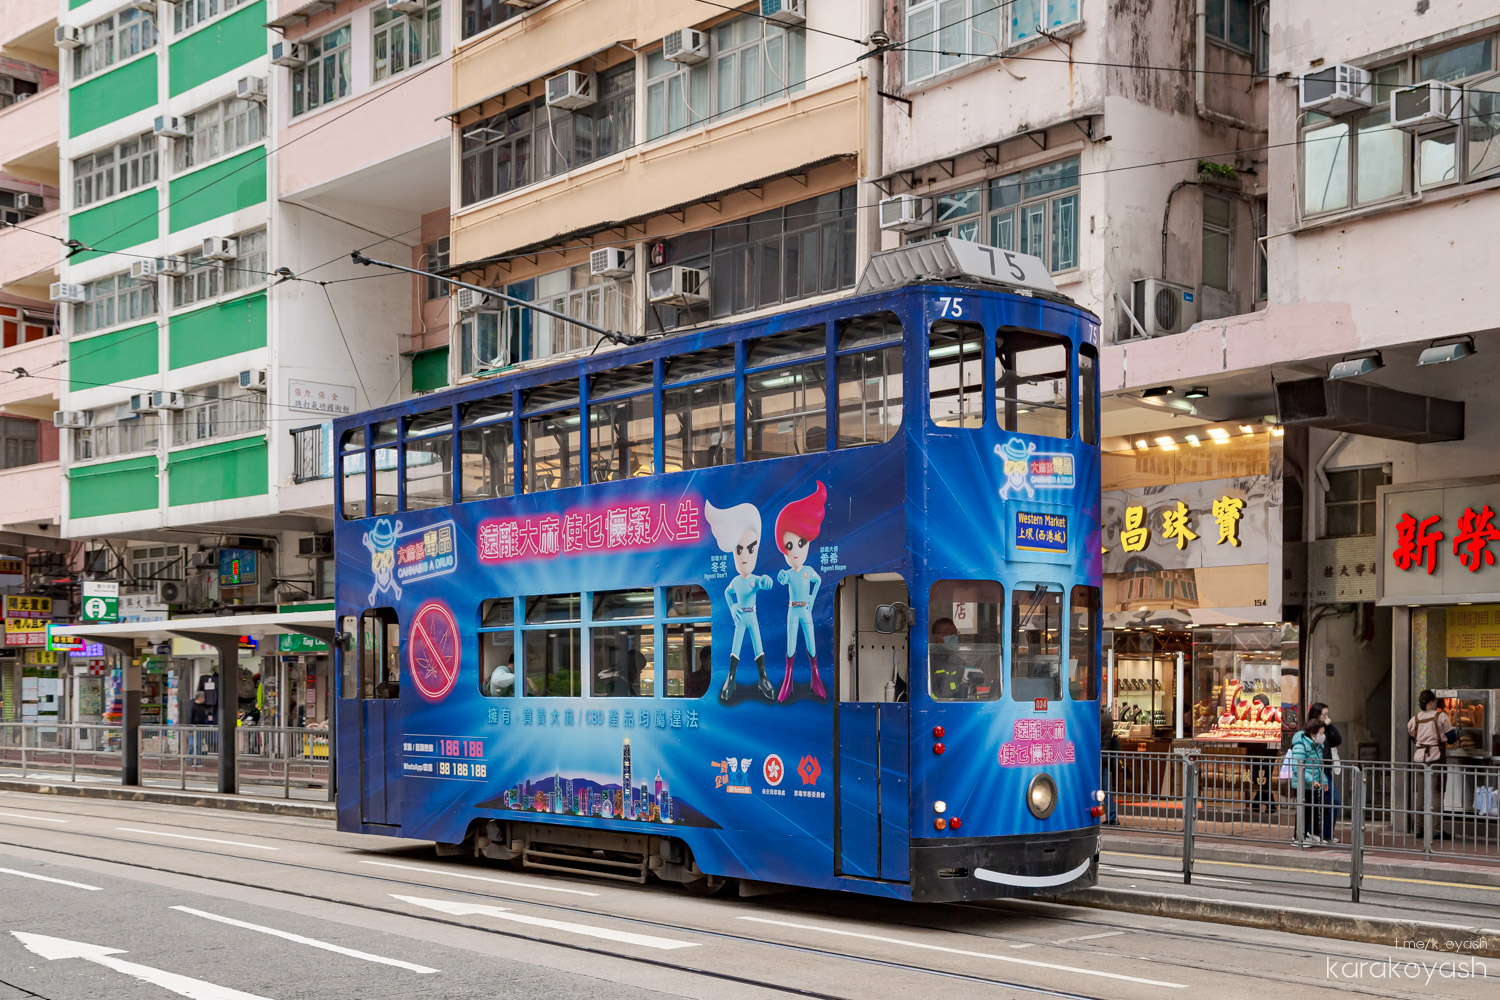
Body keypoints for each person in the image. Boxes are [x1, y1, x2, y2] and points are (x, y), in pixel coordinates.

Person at [1408, 689, 1456, 840]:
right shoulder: (1440, 716)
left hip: (1419, 760)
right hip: (1436, 758)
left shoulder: (1414, 719)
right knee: (1436, 793)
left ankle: (1419, 828)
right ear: (1431, 702)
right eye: (1434, 701)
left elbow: (1412, 737)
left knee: (1421, 794)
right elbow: (1451, 738)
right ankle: (1437, 829)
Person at [1287, 718, 1329, 846]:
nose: (1323, 736)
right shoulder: (1300, 745)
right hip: (1303, 783)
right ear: (1312, 732)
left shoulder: (1317, 745)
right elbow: (1297, 767)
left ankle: (1314, 834)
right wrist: (1312, 780)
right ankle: (1298, 837)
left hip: (1315, 783)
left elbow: (1319, 766)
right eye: (1321, 733)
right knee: (1304, 810)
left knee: (1317, 808)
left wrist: (1324, 781)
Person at [1308, 702, 1343, 843]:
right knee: (1314, 804)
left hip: (1326, 772)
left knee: (1334, 801)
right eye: (1324, 714)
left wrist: (1329, 725)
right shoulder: (1310, 730)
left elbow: (1337, 740)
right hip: (1313, 772)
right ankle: (1310, 833)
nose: (1327, 717)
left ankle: (1328, 833)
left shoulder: (1327, 730)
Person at [1101, 700, 1120, 824]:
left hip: (1095, 757)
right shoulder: (1107, 718)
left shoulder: (1097, 719)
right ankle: (1112, 816)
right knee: (1107, 788)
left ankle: (1089, 815)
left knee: (1091, 788)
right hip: (1106, 757)